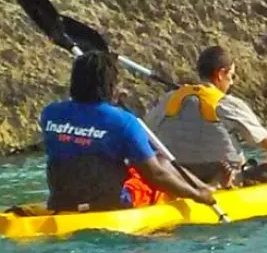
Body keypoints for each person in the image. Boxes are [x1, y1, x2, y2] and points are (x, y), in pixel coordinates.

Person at [41, 51, 215, 212]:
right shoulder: (124, 122)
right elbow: (156, 175)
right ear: (111, 85)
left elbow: (82, 144)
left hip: (62, 203)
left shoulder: (50, 113)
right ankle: (202, 190)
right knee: (161, 161)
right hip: (112, 204)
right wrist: (195, 196)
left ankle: (202, 186)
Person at [146, 46, 267, 184]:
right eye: (231, 76)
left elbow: (149, 136)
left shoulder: (168, 99)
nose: (232, 82)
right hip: (226, 178)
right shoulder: (226, 104)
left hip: (178, 177)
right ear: (220, 74)